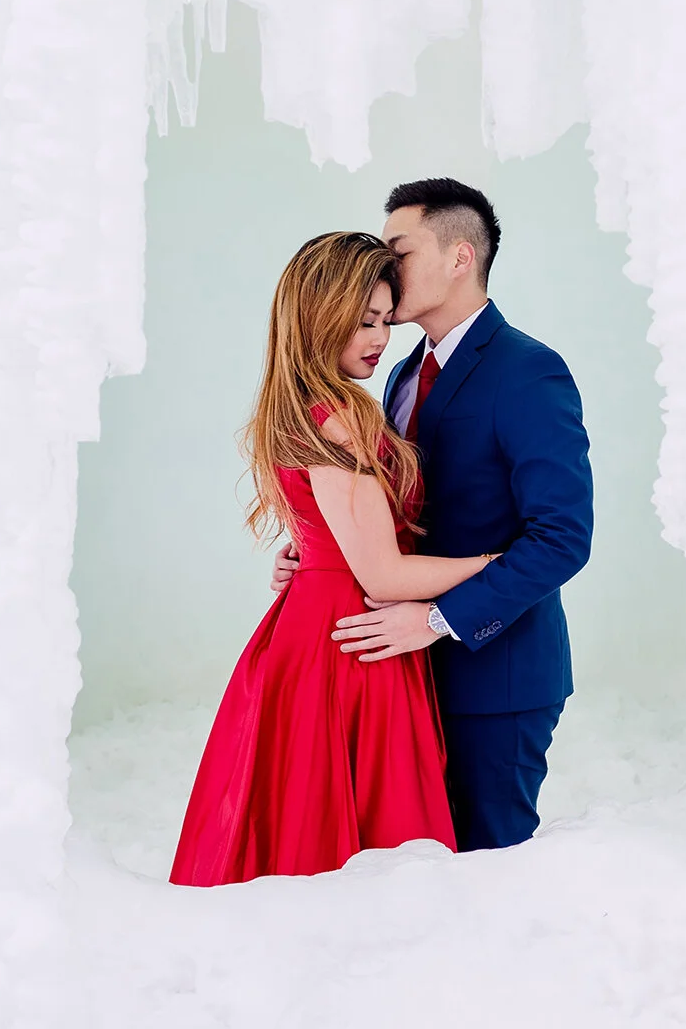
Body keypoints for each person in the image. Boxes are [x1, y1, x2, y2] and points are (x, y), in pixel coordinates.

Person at [274, 178, 595, 852]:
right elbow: (388, 509)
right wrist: (321, 550)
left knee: (485, 865)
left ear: (459, 258)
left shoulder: (529, 371)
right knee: (410, 871)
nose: (386, 267)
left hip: (494, 675)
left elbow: (562, 538)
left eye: (400, 251)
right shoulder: (398, 374)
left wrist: (437, 620)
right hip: (399, 676)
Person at [170, 231, 496, 884]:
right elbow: (384, 575)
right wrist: (494, 564)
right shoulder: (341, 418)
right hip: (352, 638)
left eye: (386, 320)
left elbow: (332, 534)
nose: (380, 338)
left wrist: (312, 555)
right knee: (365, 842)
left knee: (307, 824)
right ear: (320, 318)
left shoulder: (299, 408)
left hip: (319, 626)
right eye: (363, 321)